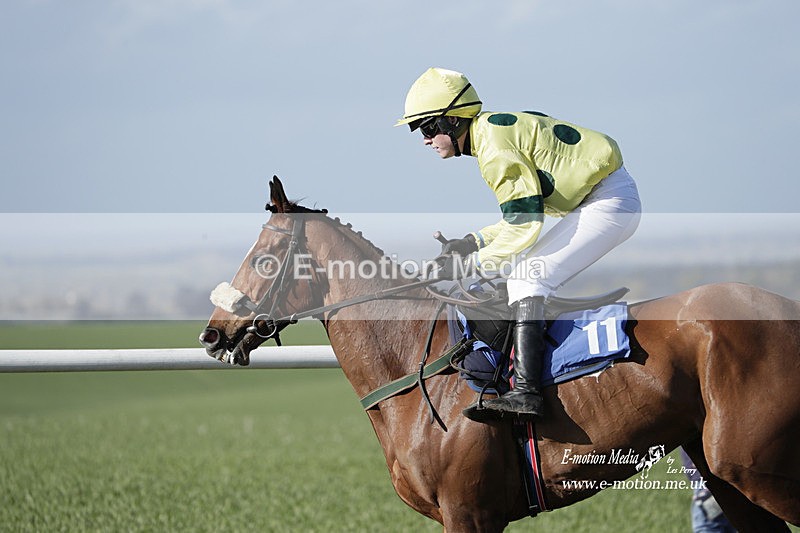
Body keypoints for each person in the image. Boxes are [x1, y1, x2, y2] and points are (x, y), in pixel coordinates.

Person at [396, 67, 641, 423]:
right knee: (524, 275)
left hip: (608, 203)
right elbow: (520, 216)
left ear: (452, 121)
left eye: (429, 127)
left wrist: (470, 264)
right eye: (419, 130)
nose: (425, 139)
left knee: (527, 278)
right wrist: (472, 242)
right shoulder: (490, 132)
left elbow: (525, 228)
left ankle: (526, 393)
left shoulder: (494, 147)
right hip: (603, 198)